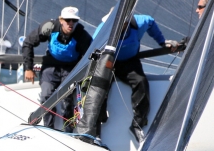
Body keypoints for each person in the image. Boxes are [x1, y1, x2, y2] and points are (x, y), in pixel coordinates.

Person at [74, 11, 179, 143]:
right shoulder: (104, 28)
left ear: (125, 22)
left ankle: (137, 124)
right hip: (109, 62)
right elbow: (92, 48)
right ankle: (95, 129)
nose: (114, 26)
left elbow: (151, 22)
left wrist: (162, 42)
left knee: (141, 82)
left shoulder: (140, 22)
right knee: (99, 89)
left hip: (130, 62)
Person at [21, 6, 93, 132]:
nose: (71, 23)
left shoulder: (82, 36)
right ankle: (48, 129)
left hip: (71, 69)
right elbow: (28, 43)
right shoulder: (49, 27)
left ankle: (68, 130)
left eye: (74, 21)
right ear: (61, 20)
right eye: (67, 20)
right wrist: (28, 68)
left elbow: (91, 57)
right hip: (50, 66)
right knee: (46, 95)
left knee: (68, 100)